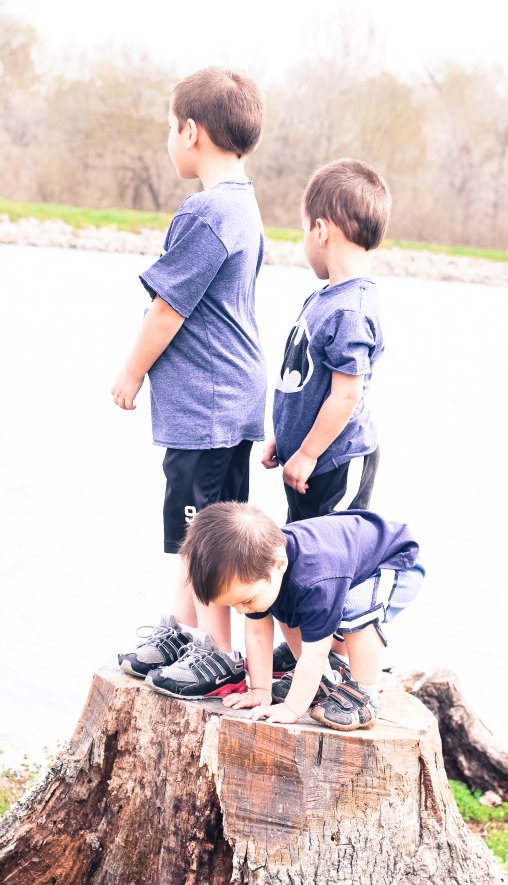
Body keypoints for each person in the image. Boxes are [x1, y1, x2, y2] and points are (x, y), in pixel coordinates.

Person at [112, 67, 266, 698]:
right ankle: (182, 627)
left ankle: (217, 650)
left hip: (208, 402)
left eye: (169, 129)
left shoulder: (206, 213)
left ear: (191, 131)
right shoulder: (242, 204)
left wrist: (130, 372)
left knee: (203, 530)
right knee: (193, 524)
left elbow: (167, 310)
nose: (168, 141)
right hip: (224, 397)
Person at [144, 502, 424, 729]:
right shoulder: (260, 571)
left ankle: (365, 694)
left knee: (357, 616)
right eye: (235, 606)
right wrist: (261, 691)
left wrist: (292, 708)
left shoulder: (316, 581)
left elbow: (315, 652)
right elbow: (257, 633)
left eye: (246, 601)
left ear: (278, 565)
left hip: (394, 561)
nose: (244, 610)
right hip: (345, 562)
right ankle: (323, 681)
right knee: (284, 608)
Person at [262, 157, 391, 524]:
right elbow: (303, 381)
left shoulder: (351, 310)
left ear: (320, 231)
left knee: (328, 555)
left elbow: (346, 395)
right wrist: (288, 440)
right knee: (301, 549)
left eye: (303, 230)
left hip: (336, 462)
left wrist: (307, 453)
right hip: (311, 457)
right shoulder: (326, 298)